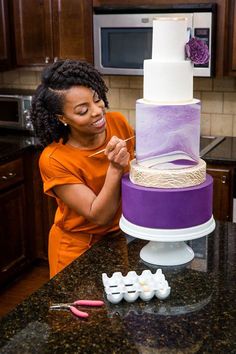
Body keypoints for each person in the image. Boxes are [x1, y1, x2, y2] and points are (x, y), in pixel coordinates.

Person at [30, 59, 135, 278]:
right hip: (77, 249)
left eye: (97, 100)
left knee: (114, 310)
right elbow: (99, 216)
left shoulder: (118, 123)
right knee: (77, 311)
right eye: (82, 110)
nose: (97, 112)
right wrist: (115, 168)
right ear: (62, 118)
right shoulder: (54, 159)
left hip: (119, 239)